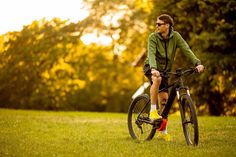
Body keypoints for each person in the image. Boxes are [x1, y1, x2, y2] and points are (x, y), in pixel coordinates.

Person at [143, 14, 204, 141]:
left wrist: (197, 63)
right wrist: (154, 69)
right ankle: (153, 111)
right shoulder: (153, 37)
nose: (156, 26)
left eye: (159, 24)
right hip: (151, 67)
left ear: (167, 25)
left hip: (165, 71)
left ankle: (162, 130)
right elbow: (152, 53)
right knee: (157, 80)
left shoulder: (176, 36)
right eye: (156, 24)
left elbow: (186, 50)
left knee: (165, 100)